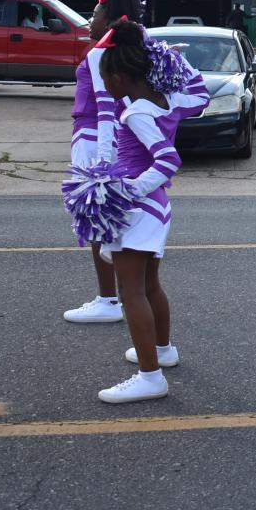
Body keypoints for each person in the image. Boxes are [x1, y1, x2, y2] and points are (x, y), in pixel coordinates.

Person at [64, 0, 209, 325]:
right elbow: (200, 94)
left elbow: (104, 110)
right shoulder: (146, 46)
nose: (89, 19)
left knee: (101, 220)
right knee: (119, 235)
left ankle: (108, 299)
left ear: (112, 16)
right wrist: (168, 109)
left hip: (99, 142)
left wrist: (100, 166)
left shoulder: (107, 51)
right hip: (115, 142)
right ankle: (118, 303)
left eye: (96, 12)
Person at [94, 20, 184, 403]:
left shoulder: (135, 113)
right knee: (148, 285)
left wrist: (127, 190)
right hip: (156, 207)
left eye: (106, 80)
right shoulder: (158, 100)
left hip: (139, 207)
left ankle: (150, 377)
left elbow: (167, 160)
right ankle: (162, 351)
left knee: (131, 291)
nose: (106, 88)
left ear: (117, 76)